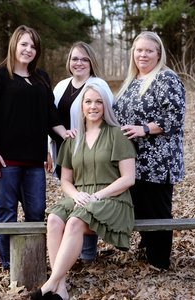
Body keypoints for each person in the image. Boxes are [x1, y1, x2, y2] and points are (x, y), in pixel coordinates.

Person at [0, 25, 74, 270]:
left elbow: (50, 113)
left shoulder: (41, 78)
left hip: (33, 160)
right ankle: (9, 263)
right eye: (24, 44)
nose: (29, 49)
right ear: (14, 45)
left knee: (37, 210)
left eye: (33, 46)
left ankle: (33, 260)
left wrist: (64, 132)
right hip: (3, 158)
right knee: (6, 209)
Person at [29, 83, 136, 300]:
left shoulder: (117, 134)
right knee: (54, 220)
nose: (93, 106)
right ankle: (61, 288)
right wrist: (76, 195)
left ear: (105, 106)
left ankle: (48, 285)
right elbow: (66, 181)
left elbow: (128, 178)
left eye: (98, 102)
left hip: (112, 198)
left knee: (75, 221)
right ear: (81, 107)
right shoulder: (72, 139)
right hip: (81, 195)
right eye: (88, 102)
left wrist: (98, 195)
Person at [113, 31, 186, 270]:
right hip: (133, 160)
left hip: (158, 160)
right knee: (141, 207)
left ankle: (160, 261)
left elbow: (174, 118)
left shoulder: (166, 79)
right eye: (138, 50)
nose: (142, 55)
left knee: (157, 210)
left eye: (148, 51)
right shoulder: (132, 81)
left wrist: (144, 129)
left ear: (158, 54)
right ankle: (146, 250)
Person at [49, 41, 114, 263]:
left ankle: (87, 254)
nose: (79, 63)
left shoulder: (99, 85)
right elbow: (51, 119)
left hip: (90, 153)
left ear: (91, 62)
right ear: (69, 62)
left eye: (84, 59)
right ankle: (70, 253)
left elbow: (108, 119)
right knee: (73, 197)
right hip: (64, 152)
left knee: (87, 195)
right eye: (75, 58)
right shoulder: (61, 86)